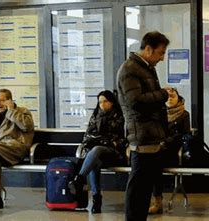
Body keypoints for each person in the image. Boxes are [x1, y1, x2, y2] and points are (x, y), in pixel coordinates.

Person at [117, 31, 172, 221]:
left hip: (152, 134)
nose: (162, 58)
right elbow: (136, 101)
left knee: (145, 187)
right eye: (160, 53)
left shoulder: (146, 67)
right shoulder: (130, 69)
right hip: (141, 136)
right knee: (138, 188)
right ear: (148, 49)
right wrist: (163, 94)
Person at [69, 90, 126, 214]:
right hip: (97, 154)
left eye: (105, 101)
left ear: (112, 102)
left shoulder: (119, 116)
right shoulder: (95, 115)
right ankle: (96, 200)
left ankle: (79, 180)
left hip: (114, 152)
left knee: (96, 150)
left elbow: (120, 139)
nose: (102, 104)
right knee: (94, 160)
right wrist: (98, 139)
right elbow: (88, 135)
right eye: (100, 102)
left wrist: (102, 140)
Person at [148, 88, 190, 214]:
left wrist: (165, 142)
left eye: (173, 96)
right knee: (149, 162)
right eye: (168, 96)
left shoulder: (184, 114)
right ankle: (153, 199)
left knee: (155, 163)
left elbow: (184, 135)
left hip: (174, 149)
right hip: (158, 148)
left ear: (179, 98)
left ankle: (157, 202)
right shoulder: (159, 113)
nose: (170, 99)